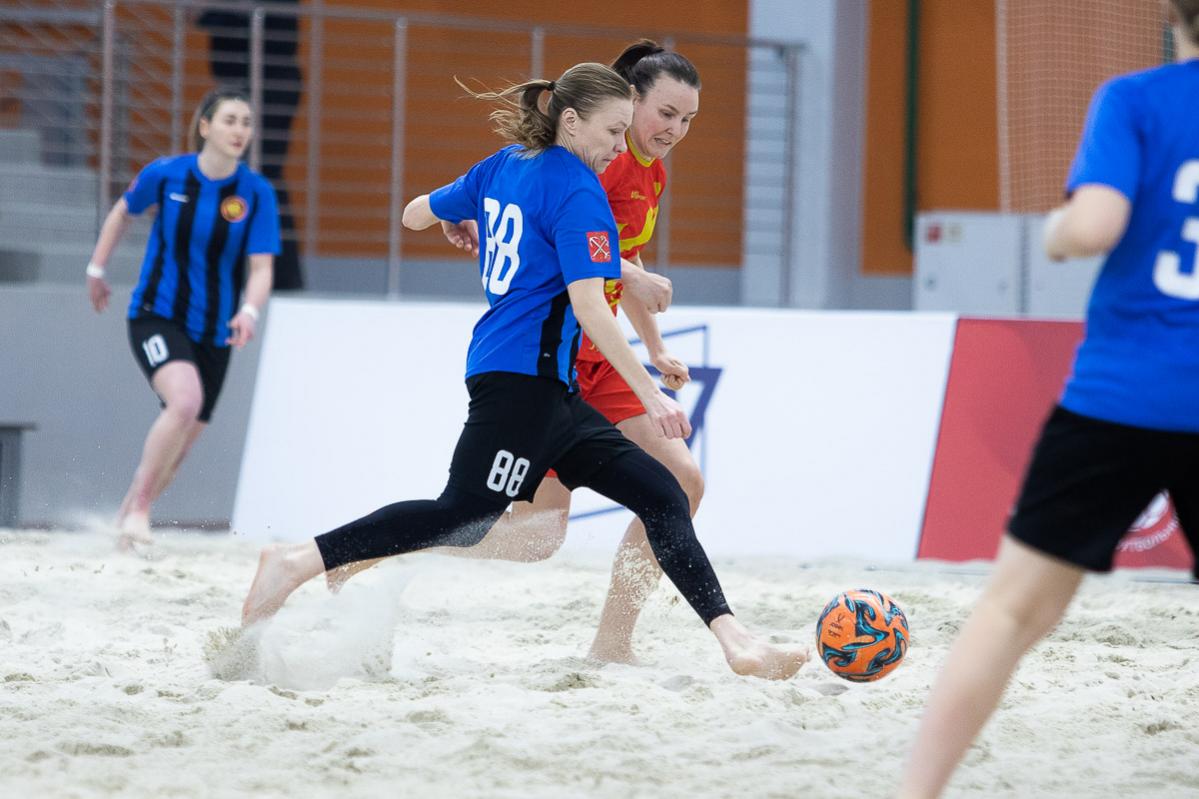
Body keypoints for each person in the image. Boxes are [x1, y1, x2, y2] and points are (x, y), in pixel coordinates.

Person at [241, 61, 806, 681]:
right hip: (521, 381)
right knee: (461, 516)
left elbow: (413, 214)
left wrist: (455, 215)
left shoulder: (502, 164)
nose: (621, 147)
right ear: (572, 122)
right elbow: (591, 308)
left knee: (663, 494)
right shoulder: (580, 192)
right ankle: (299, 560)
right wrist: (651, 393)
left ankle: (736, 640)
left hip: (551, 390)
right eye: (614, 131)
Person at [897, 2, 1199, 795]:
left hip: (1122, 396)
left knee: (1008, 613)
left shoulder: (1135, 99)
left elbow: (1093, 227)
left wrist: (1053, 232)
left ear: (1170, 13)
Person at [329, 41, 704, 666]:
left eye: (688, 119)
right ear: (628, 102)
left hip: (602, 352)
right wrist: (633, 278)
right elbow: (573, 247)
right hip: (557, 357)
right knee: (534, 535)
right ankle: (384, 549)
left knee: (679, 485)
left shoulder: (651, 172)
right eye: (666, 113)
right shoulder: (593, 163)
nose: (675, 130)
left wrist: (656, 346)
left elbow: (620, 262)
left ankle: (613, 642)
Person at [87, 88, 279, 550]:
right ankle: (140, 511)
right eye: (230, 120)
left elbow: (261, 268)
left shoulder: (256, 192)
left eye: (247, 122)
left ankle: (125, 521)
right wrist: (96, 269)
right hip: (157, 315)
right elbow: (122, 213)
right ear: (205, 126)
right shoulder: (166, 173)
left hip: (215, 330)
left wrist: (249, 311)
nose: (240, 130)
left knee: (182, 444)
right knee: (185, 402)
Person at [196, 1, 303, 290]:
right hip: (242, 82)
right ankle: (244, 271)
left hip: (268, 83)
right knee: (239, 177)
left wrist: (214, 14)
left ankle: (281, 277)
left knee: (263, 176)